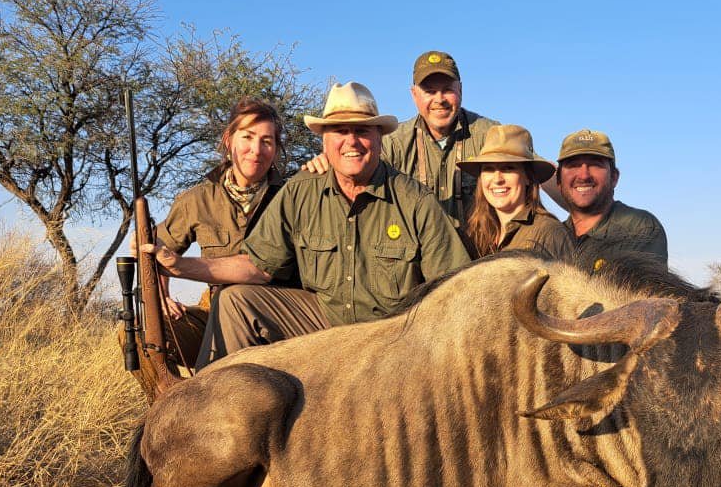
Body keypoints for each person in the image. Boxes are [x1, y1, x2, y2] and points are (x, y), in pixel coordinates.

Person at [144, 82, 470, 368]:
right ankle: (211, 414)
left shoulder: (415, 200)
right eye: (340, 132)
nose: (351, 141)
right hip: (322, 322)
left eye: (362, 130)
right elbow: (256, 267)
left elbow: (456, 290)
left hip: (390, 336)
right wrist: (178, 265)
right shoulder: (300, 190)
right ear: (324, 141)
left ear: (380, 138)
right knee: (235, 302)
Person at [123, 97, 288, 397]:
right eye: (247, 138)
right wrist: (159, 295)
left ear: (276, 149)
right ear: (228, 140)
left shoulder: (292, 196)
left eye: (267, 141)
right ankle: (163, 407)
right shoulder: (196, 199)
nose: (256, 150)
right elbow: (158, 250)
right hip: (213, 312)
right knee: (137, 331)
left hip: (274, 321)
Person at [379, 51, 500, 225]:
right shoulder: (393, 143)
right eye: (430, 91)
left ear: (460, 89)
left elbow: (533, 171)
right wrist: (327, 161)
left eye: (447, 90)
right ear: (414, 95)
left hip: (479, 250)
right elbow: (357, 172)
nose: (439, 99)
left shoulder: (490, 134)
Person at [556, 129, 668, 272]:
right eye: (573, 165)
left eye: (595, 164)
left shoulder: (640, 228)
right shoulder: (552, 236)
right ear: (559, 181)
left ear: (614, 177)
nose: (584, 176)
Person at [455, 124, 572, 260]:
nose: (497, 179)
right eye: (489, 169)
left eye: (508, 168)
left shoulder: (550, 233)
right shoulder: (474, 236)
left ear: (528, 177)